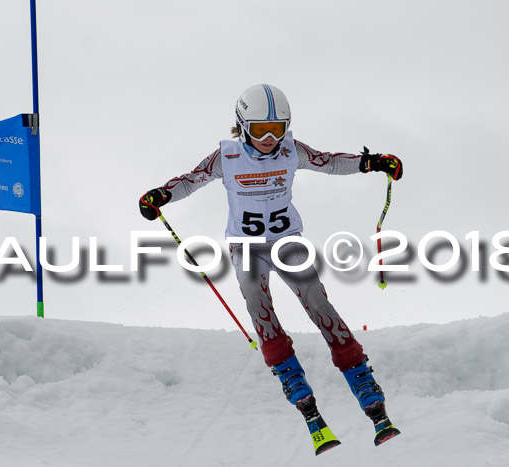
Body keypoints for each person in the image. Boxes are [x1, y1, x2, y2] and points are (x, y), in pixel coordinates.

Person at [139, 84, 403, 448]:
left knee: (317, 301)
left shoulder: (292, 151)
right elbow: (192, 180)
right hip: (246, 247)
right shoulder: (226, 157)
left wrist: (370, 162)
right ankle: (294, 383)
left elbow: (330, 161)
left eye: (277, 129)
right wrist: (162, 195)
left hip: (287, 241)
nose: (268, 138)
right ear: (242, 125)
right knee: (256, 302)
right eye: (260, 129)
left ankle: (363, 381)